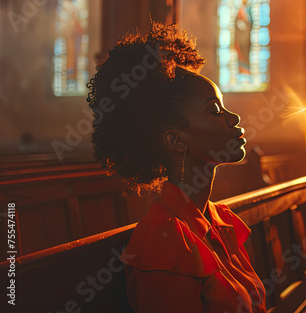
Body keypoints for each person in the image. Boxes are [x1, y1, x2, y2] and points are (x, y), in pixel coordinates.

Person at [86, 22, 266, 312]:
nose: (233, 118)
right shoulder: (165, 242)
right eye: (215, 111)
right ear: (176, 139)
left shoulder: (220, 219)